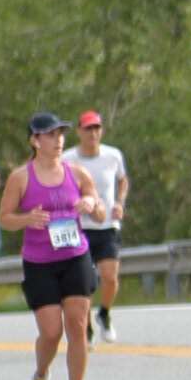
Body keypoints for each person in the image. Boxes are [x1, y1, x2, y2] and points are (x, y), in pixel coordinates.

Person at [0, 112, 108, 380]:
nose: (58, 140)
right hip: (40, 263)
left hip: (75, 256)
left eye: (60, 134)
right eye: (50, 135)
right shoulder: (20, 178)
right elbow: (4, 218)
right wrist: (26, 219)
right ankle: (41, 375)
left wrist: (92, 204)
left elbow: (100, 213)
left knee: (77, 325)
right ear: (35, 141)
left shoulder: (78, 173)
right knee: (51, 332)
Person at [71, 110, 129, 339]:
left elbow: (122, 180)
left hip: (107, 226)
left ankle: (104, 313)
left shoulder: (112, 156)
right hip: (78, 228)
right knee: (84, 281)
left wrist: (120, 203)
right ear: (79, 131)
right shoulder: (68, 159)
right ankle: (86, 327)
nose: (93, 134)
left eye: (96, 128)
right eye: (88, 129)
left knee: (110, 277)